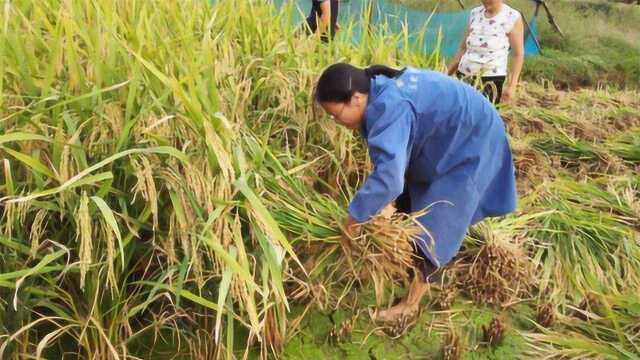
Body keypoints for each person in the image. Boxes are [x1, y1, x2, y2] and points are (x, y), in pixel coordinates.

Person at [314, 63, 517, 322]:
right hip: (452, 134)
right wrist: (385, 205)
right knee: (403, 202)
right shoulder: (377, 92)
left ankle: (409, 306)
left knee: (436, 224)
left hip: (472, 140)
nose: (335, 122)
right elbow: (394, 168)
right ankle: (400, 264)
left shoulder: (390, 106)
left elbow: (389, 178)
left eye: (335, 114)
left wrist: (353, 219)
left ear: (355, 99)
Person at [447, 0, 524, 104]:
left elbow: (518, 55)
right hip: (464, 76)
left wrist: (512, 86)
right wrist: (445, 75)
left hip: (490, 81)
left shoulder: (512, 16)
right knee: (459, 115)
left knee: (482, 117)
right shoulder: (475, 13)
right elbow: (463, 48)